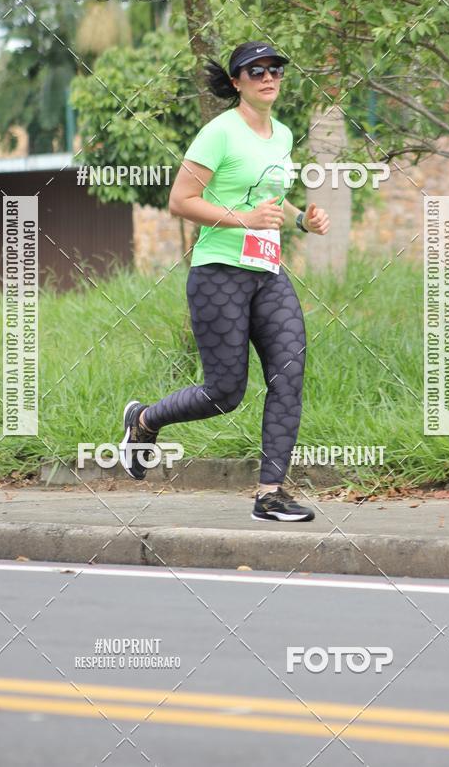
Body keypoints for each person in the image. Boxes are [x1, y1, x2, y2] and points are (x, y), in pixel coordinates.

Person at [120, 41, 329, 522]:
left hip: (267, 271)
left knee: (289, 373)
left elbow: (271, 201)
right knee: (225, 392)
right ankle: (144, 420)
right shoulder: (218, 133)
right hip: (218, 273)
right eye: (256, 71)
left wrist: (302, 220)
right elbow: (181, 200)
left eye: (275, 69)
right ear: (236, 82)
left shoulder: (283, 135)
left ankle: (270, 493)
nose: (269, 77)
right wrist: (243, 218)